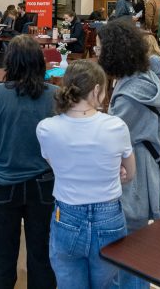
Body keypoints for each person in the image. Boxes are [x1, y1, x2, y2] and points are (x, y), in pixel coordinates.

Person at [36, 60, 135, 289]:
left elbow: (57, 166)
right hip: (109, 214)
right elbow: (130, 173)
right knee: (108, 284)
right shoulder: (116, 126)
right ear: (97, 90)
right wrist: (114, 170)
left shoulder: (46, 128)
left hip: (67, 214)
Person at [0, 34, 57, 289]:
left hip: (4, 181)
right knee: (41, 256)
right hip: (44, 183)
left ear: (10, 62)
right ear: (40, 62)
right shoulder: (56, 95)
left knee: (2, 258)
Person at [95, 20, 160, 288]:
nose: (95, 51)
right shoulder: (143, 78)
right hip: (144, 163)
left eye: (99, 48)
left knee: (129, 250)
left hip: (133, 173)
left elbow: (112, 136)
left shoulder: (129, 95)